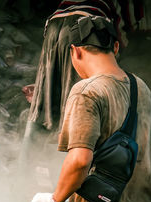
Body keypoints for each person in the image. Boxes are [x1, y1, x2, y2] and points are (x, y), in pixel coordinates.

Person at [29, 16, 151, 202]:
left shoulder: (86, 91)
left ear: (75, 51)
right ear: (116, 47)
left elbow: (79, 162)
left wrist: (55, 199)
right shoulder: (141, 87)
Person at [18, 0, 121, 171]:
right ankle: (64, 175)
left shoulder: (66, 2)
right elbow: (115, 44)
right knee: (76, 108)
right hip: (83, 28)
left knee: (42, 104)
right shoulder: (111, 4)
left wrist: (47, 85)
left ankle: (22, 177)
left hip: (53, 27)